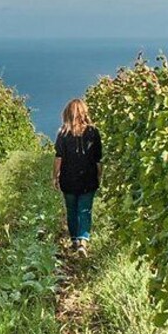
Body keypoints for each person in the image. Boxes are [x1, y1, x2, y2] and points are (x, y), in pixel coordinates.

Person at [52, 99, 102, 255]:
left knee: (72, 209)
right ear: (84, 112)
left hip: (68, 178)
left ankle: (74, 240)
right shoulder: (93, 132)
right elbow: (98, 158)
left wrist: (55, 176)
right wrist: (99, 176)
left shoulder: (63, 132)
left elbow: (58, 157)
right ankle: (83, 241)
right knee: (85, 210)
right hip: (88, 177)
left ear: (67, 113)